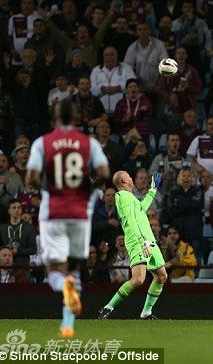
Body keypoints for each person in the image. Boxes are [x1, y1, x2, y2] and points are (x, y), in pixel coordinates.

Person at [25, 99, 110, 337]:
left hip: (53, 213)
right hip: (80, 213)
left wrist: (48, 185)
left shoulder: (43, 143)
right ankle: (68, 325)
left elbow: (31, 178)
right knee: (74, 268)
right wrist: (88, 190)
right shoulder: (88, 143)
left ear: (53, 119)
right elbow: (104, 173)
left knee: (54, 268)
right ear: (76, 118)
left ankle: (63, 288)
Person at [98, 170, 168, 321]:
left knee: (161, 276)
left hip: (148, 240)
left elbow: (142, 209)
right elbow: (131, 220)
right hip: (138, 241)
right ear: (124, 180)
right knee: (138, 279)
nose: (131, 178)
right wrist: (142, 241)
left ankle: (146, 313)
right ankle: (108, 307)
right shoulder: (123, 196)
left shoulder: (129, 197)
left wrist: (153, 189)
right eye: (129, 176)